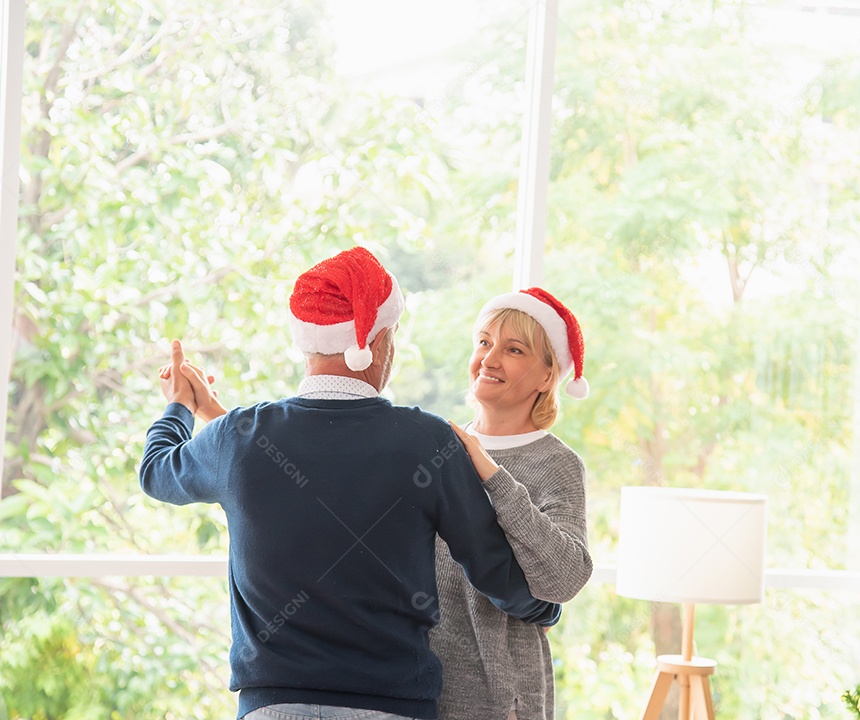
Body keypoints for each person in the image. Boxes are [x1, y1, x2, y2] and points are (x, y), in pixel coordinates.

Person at [140, 247, 560, 720]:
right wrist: (544, 611)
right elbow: (495, 571)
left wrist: (180, 406)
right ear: (376, 342)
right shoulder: (428, 442)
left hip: (270, 708)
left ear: (306, 344)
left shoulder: (237, 438)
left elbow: (156, 472)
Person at [430, 288, 593, 720]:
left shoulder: (557, 464)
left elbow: (565, 579)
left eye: (513, 349)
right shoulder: (436, 449)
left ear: (546, 377)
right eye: (484, 342)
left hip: (503, 702)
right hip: (418, 693)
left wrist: (491, 473)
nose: (489, 358)